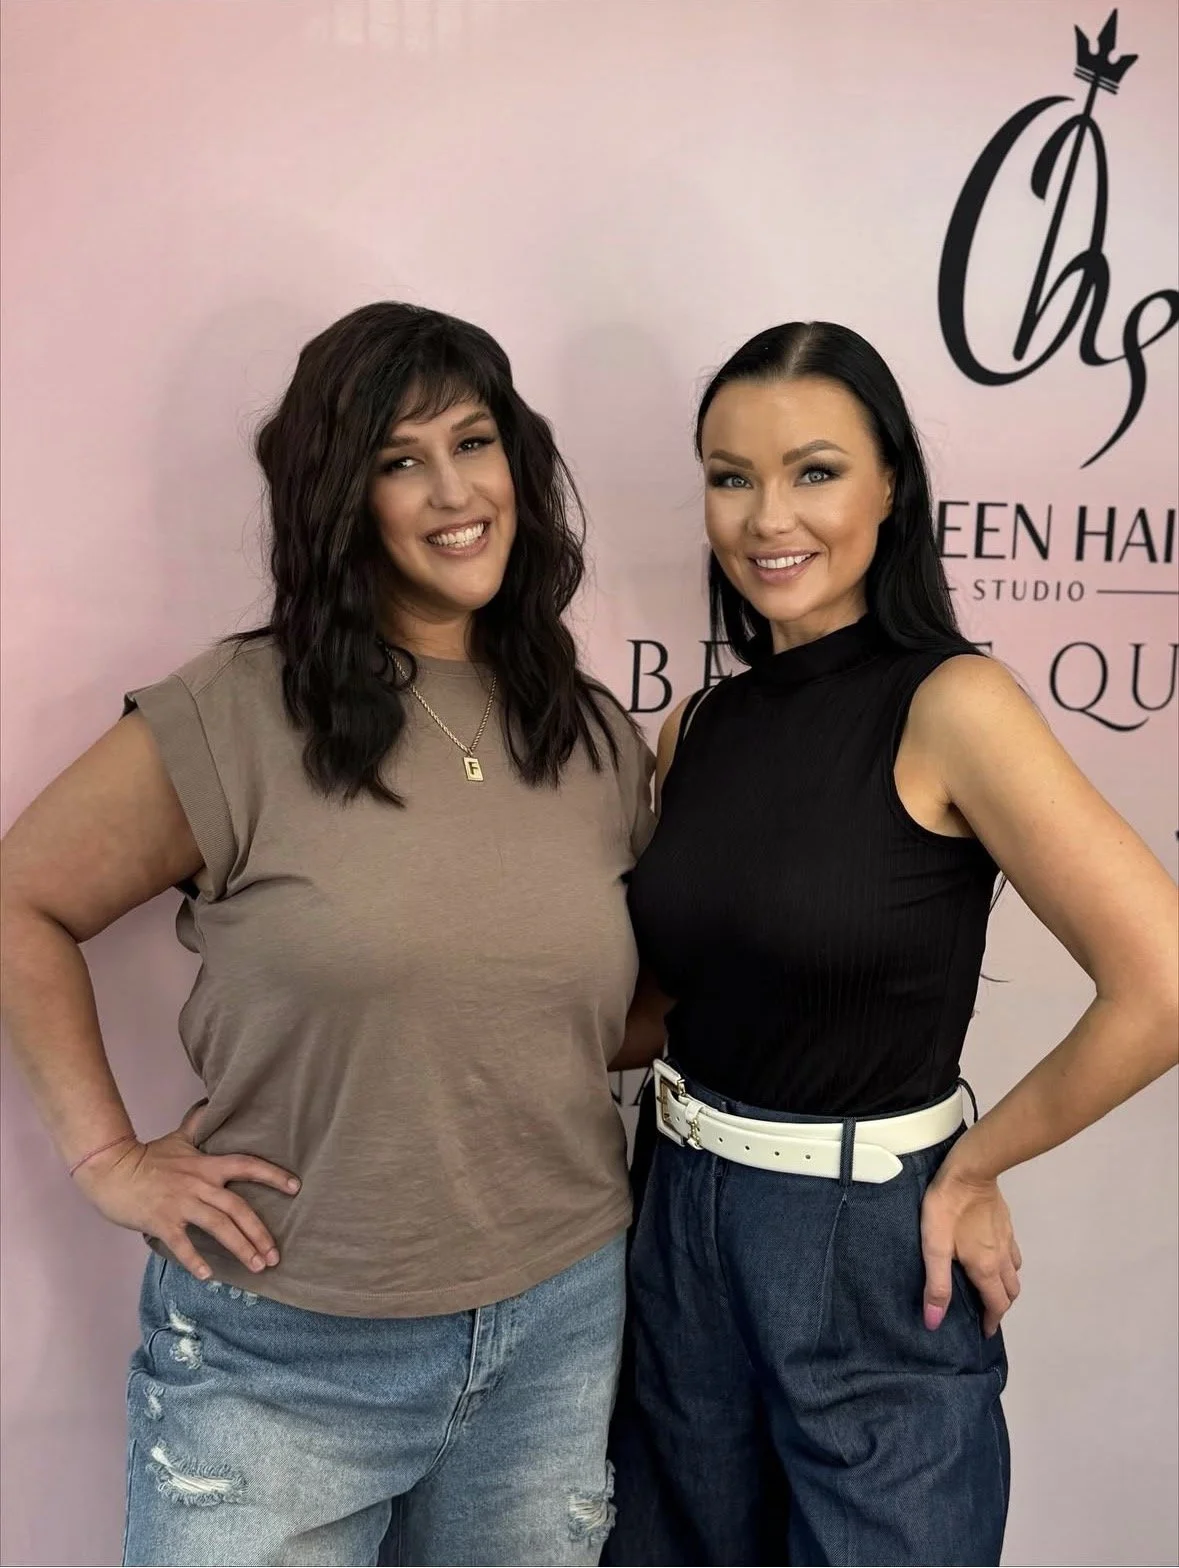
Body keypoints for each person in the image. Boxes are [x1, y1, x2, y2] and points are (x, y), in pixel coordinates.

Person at [0, 302, 660, 1568]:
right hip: (282, 1354)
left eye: (476, 443)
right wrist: (105, 1159)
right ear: (338, 496)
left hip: (557, 1324)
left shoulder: (587, 735)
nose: (454, 491)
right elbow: (23, 897)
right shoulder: (234, 715)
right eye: (400, 459)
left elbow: (588, 1006)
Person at [602, 321, 1179, 1567]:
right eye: (730, 474)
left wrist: (970, 1168)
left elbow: (1164, 984)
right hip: (675, 1208)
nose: (768, 516)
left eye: (813, 470)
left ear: (890, 486)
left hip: (865, 1245)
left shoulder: (951, 703)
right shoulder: (696, 724)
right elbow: (661, 1003)